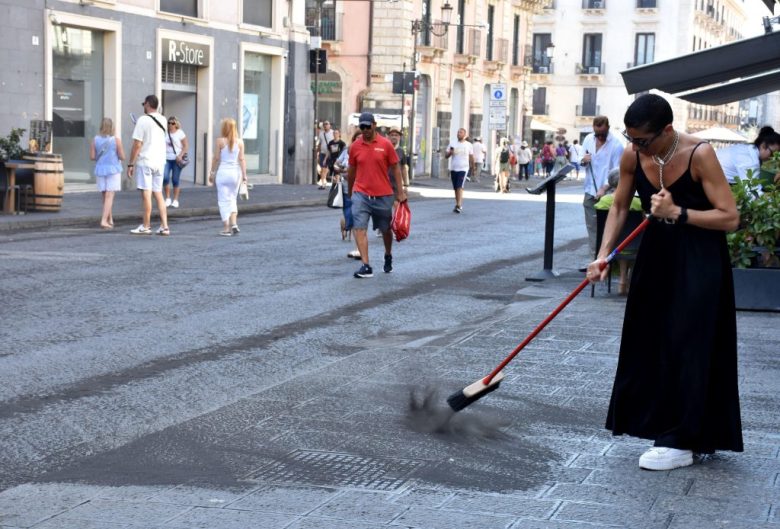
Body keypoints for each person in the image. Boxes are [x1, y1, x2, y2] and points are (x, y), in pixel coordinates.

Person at [587, 93, 742, 471]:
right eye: (631, 138)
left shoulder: (699, 154)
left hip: (700, 260)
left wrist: (679, 212)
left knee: (689, 341)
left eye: (642, 140)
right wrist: (603, 254)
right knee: (651, 339)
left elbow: (730, 217)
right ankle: (667, 428)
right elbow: (621, 206)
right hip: (657, 257)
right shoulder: (632, 155)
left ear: (667, 130)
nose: (635, 146)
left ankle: (680, 437)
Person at [347, 112, 407, 278]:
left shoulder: (385, 144)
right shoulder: (355, 147)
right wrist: (351, 192)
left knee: (385, 229)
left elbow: (396, 168)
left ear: (374, 124)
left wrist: (400, 192)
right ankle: (366, 265)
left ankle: (388, 254)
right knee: (359, 228)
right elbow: (351, 171)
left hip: (383, 194)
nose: (365, 129)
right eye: (362, 127)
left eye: (368, 126)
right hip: (361, 193)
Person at [592, 167, 643, 295]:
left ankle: (622, 279)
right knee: (630, 246)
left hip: (611, 245)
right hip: (634, 244)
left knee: (622, 246)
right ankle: (626, 278)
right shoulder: (638, 202)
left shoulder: (604, 201)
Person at [580, 116, 624, 257]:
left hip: (608, 192)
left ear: (608, 128)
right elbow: (580, 161)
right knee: (592, 228)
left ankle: (606, 259)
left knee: (607, 228)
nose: (599, 137)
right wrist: (583, 160)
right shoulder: (588, 139)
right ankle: (594, 259)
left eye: (602, 134)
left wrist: (604, 188)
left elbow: (617, 171)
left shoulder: (616, 145)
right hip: (589, 190)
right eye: (597, 134)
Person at [127, 94, 170, 236]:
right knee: (158, 193)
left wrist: (130, 164)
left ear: (147, 104)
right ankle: (164, 226)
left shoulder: (143, 120)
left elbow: (137, 144)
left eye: (143, 104)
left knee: (146, 193)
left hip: (146, 161)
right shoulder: (163, 120)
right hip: (160, 161)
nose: (143, 107)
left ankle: (146, 225)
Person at [208, 118, 247, 236]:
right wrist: (245, 176)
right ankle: (234, 224)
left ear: (224, 128)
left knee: (223, 200)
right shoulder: (240, 142)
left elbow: (216, 158)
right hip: (236, 174)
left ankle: (226, 228)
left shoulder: (220, 141)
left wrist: (212, 173)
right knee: (232, 199)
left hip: (223, 173)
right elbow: (242, 159)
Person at [90, 117, 125, 229]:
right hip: (113, 169)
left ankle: (110, 218)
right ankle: (104, 220)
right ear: (112, 127)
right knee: (110, 195)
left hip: (100, 169)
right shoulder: (116, 140)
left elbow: (92, 157)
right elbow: (122, 156)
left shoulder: (95, 139)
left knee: (105, 195)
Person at [716, 126, 780, 184]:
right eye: (772, 153)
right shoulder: (751, 161)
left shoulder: (746, 148)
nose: (772, 157)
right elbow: (752, 191)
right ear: (763, 145)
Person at [445, 127, 475, 212]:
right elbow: (446, 156)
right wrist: (450, 153)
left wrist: (473, 167)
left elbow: (471, 157)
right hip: (454, 168)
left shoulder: (468, 145)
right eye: (458, 132)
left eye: (461, 132)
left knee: (459, 186)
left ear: (464, 135)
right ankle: (457, 204)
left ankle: (459, 205)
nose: (459, 134)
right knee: (455, 187)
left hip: (463, 168)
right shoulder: (452, 143)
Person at [163, 116, 189, 209]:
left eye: (172, 123)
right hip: (166, 158)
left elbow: (186, 146)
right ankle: (168, 198)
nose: (170, 125)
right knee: (165, 178)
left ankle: (175, 200)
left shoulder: (180, 133)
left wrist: (180, 155)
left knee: (175, 179)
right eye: (169, 123)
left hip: (176, 159)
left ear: (176, 124)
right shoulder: (165, 133)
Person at [317, 120, 334, 188]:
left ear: (330, 125)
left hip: (330, 153)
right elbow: (320, 143)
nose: (325, 125)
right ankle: (323, 182)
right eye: (324, 124)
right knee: (322, 167)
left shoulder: (333, 133)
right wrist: (318, 151)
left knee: (326, 167)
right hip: (322, 152)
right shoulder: (321, 133)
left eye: (327, 124)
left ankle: (323, 182)